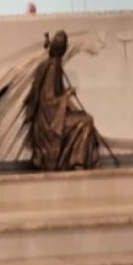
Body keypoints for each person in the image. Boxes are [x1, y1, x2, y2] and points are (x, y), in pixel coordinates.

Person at [22, 30, 100, 171]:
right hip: (48, 122)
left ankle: (78, 160)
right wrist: (67, 95)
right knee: (86, 121)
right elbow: (48, 100)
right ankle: (77, 162)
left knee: (84, 117)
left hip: (53, 117)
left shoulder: (54, 65)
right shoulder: (52, 67)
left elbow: (55, 95)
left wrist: (69, 101)